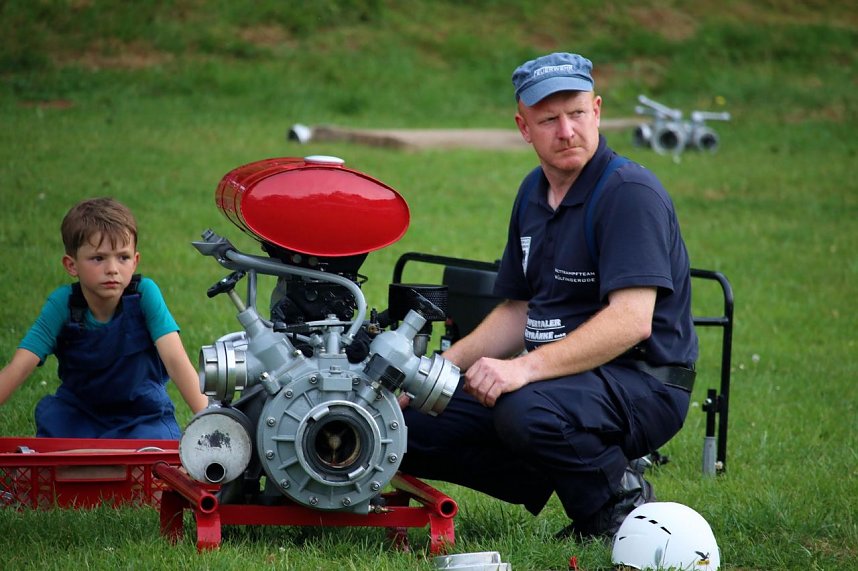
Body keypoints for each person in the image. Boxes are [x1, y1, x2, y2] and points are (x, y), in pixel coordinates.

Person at [400, 52, 698, 540]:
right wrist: (433, 376)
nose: (566, 131)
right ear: (524, 127)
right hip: (558, 382)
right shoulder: (533, 192)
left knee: (525, 409)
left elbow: (631, 320)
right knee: (407, 425)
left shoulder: (628, 192)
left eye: (577, 113)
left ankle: (616, 507)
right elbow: (518, 310)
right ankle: (551, 468)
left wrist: (522, 370)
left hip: (644, 380)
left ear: (597, 110)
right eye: (549, 119)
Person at [0, 197, 208, 438]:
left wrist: (211, 423)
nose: (112, 268)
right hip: (79, 416)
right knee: (55, 433)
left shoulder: (145, 295)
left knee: (154, 454)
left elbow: (176, 360)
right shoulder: (61, 305)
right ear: (71, 265)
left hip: (142, 417)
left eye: (123, 257)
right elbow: (19, 367)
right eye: (98, 258)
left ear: (135, 261)